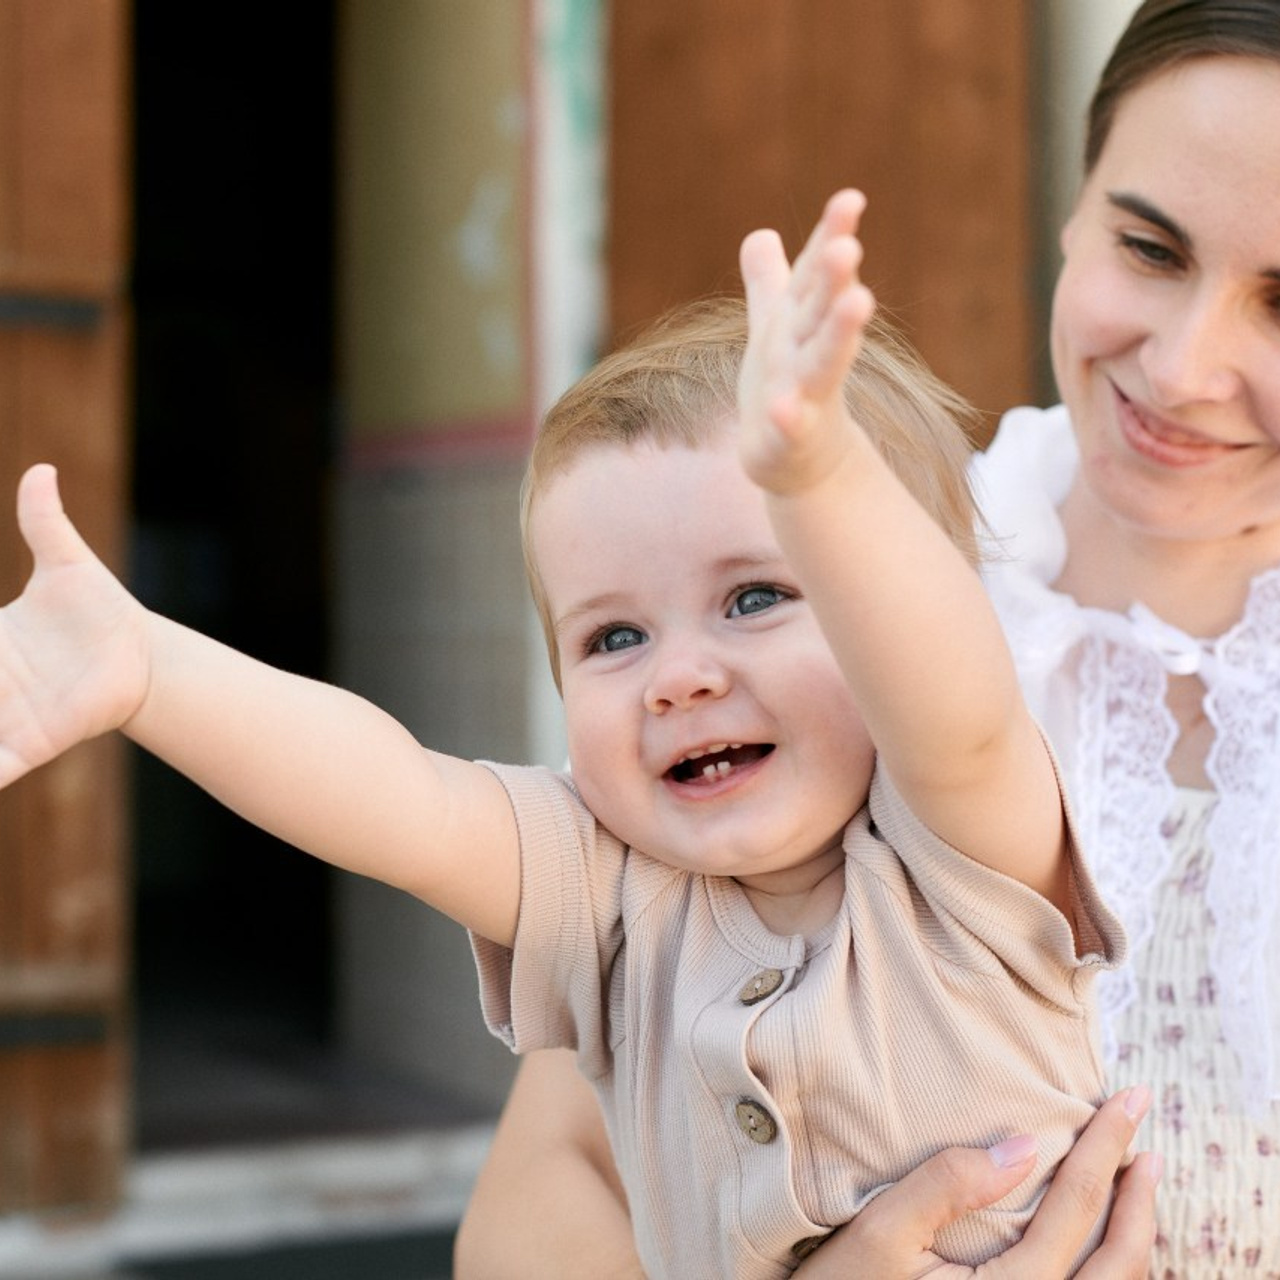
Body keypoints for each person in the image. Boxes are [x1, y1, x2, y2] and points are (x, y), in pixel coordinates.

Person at [0, 192, 1121, 1278]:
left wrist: (820, 478)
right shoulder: (617, 894)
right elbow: (399, 799)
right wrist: (145, 669)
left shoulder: (960, 862)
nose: (677, 677)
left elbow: (954, 702)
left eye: (753, 598)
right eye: (612, 636)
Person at [454, 0, 1280, 1275]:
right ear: (1074, 209)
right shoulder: (840, 595)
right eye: (1148, 248)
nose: (1179, 368)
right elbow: (547, 1186)